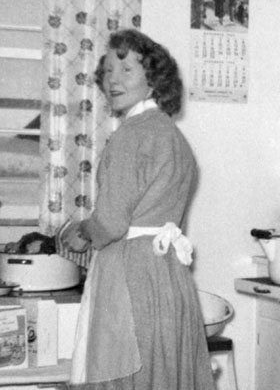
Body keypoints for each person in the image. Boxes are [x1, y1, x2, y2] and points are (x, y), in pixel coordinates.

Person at [60, 29, 214, 389]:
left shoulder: (131, 134)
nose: (113, 80)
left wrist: (81, 232)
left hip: (130, 277)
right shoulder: (173, 136)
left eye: (126, 69)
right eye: (108, 71)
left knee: (127, 377)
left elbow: (111, 224)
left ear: (154, 79)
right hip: (167, 274)